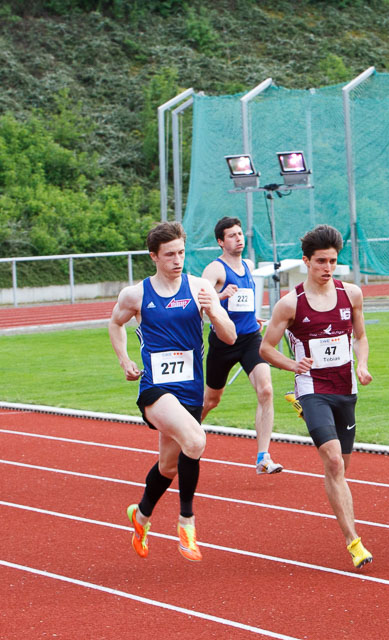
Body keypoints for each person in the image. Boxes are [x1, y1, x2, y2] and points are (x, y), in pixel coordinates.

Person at [108, 222, 237, 562]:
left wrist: (212, 309)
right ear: (154, 256)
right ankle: (186, 522)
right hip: (155, 389)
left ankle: (142, 515)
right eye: (169, 255)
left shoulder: (199, 288)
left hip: (190, 390)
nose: (177, 260)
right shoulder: (135, 295)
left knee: (168, 466)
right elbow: (115, 323)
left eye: (181, 252)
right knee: (195, 441)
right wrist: (124, 359)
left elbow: (229, 336)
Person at [259, 225, 374, 568]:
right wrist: (293, 365)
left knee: (342, 467)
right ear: (306, 262)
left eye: (333, 261)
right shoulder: (290, 304)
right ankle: (354, 541)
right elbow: (266, 348)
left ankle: (308, 414)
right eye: (320, 261)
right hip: (313, 387)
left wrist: (363, 364)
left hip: (345, 389)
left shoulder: (351, 294)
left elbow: (361, 337)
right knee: (334, 461)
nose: (327, 268)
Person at [200, 216, 281, 474]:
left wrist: (251, 318)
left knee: (266, 390)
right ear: (221, 242)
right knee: (211, 400)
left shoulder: (248, 264)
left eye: (240, 234)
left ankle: (263, 457)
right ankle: (185, 434)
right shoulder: (215, 269)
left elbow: (244, 302)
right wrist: (220, 296)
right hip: (224, 341)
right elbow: (199, 302)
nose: (239, 238)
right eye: (232, 235)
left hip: (249, 339)